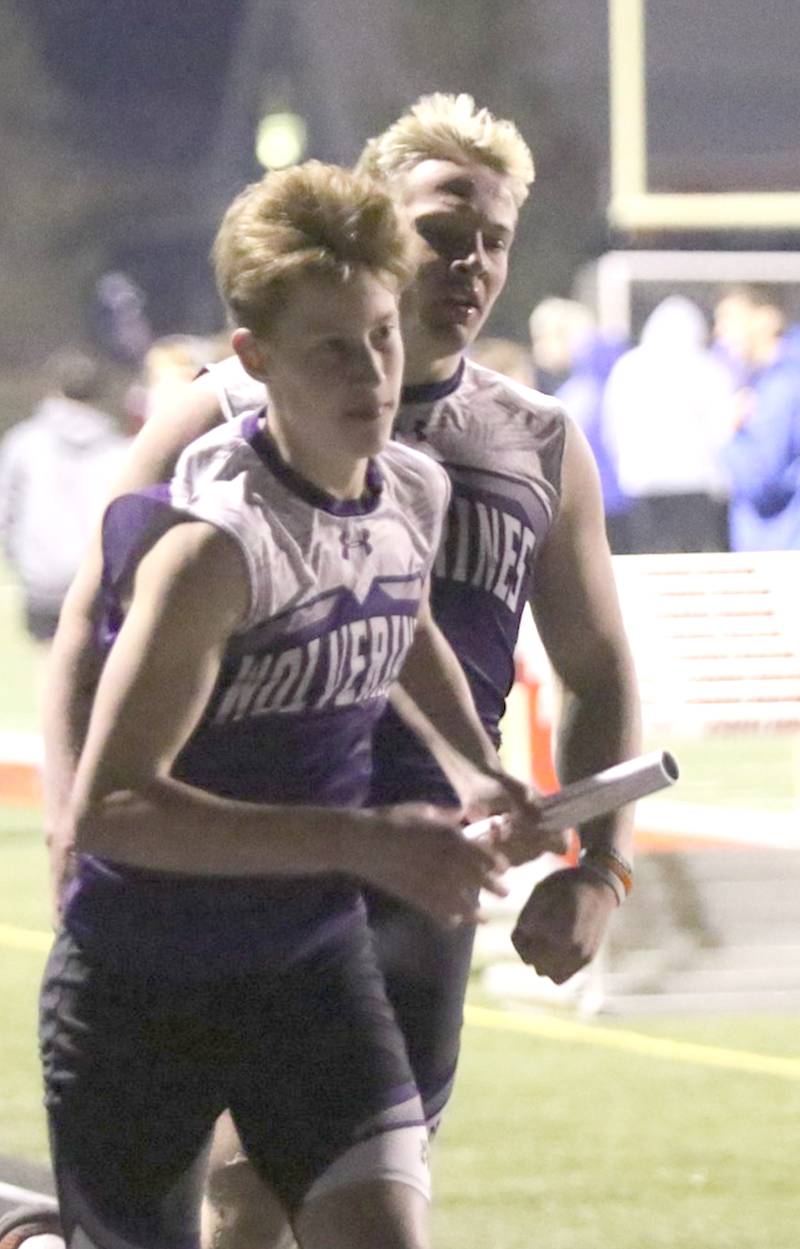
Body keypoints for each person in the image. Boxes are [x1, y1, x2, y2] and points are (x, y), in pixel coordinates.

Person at [40, 94, 640, 1249]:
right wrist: (77, 829)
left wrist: (547, 827)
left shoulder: (479, 458)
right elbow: (89, 647)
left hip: (398, 882)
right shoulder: (212, 458)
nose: (468, 265)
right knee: (228, 1198)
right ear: (371, 225)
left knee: (362, 1200)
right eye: (438, 230)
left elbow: (526, 641)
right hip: (203, 877)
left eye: (494, 239)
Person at [0, 349, 129, 647]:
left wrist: (16, 555)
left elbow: (6, 509)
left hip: (41, 575)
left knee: (51, 666)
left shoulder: (24, 442)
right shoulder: (120, 450)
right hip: (97, 576)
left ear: (54, 388)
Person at [601, 294, 733, 553]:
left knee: (654, 563)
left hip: (645, 483)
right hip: (700, 485)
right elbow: (723, 428)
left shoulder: (628, 367)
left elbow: (612, 429)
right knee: (699, 562)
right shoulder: (709, 368)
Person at [714, 284, 800, 550]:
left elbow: (761, 481)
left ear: (767, 318)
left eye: (730, 319)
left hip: (780, 553)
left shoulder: (783, 385)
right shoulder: (767, 380)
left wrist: (730, 434)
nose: (720, 332)